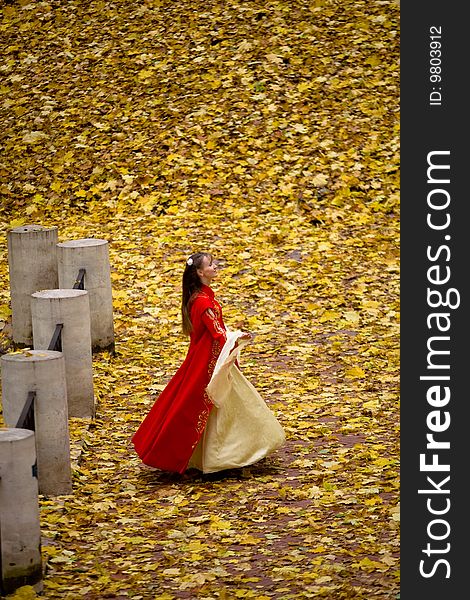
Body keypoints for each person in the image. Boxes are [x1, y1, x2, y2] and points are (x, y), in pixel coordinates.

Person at [132, 252, 285, 474]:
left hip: (208, 358)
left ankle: (221, 455)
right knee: (220, 402)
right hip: (208, 362)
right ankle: (228, 455)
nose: (215, 267)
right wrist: (239, 337)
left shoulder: (201, 297)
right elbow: (218, 334)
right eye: (210, 265)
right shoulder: (203, 302)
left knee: (219, 405)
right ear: (200, 272)